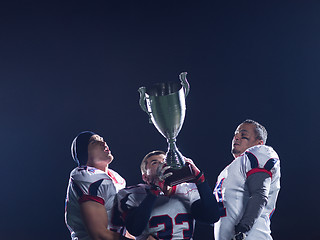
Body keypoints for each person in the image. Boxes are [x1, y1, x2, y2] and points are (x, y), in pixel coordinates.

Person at [117, 150, 220, 240]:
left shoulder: (187, 189)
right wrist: (155, 191)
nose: (162, 165)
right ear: (145, 177)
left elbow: (212, 217)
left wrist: (200, 180)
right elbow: (135, 229)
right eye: (155, 163)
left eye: (164, 162)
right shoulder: (132, 194)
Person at [213, 120, 281, 240]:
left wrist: (243, 229)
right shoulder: (228, 171)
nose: (237, 137)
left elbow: (260, 195)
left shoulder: (259, 152)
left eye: (243, 135)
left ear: (259, 143)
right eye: (236, 134)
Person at [65, 131, 133, 240]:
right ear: (84, 152)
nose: (103, 143)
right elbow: (99, 235)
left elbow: (122, 229)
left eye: (102, 139)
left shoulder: (117, 178)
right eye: (94, 141)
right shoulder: (86, 176)